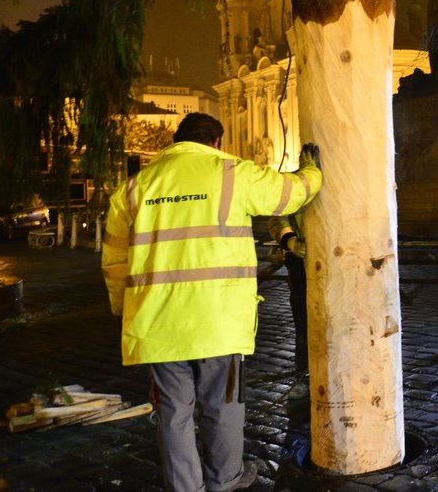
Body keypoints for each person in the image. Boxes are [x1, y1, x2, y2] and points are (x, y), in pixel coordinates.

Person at [102, 113, 322, 492]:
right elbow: (292, 193)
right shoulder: (231, 173)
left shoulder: (134, 187)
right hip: (218, 322)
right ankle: (226, 480)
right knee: (223, 405)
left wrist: (125, 309)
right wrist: (311, 170)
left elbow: (114, 262)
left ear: (176, 141)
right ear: (216, 142)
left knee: (172, 413)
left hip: (157, 325)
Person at [267, 214, 308, 399]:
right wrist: (290, 241)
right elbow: (277, 217)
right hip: (302, 265)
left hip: (339, 261)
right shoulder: (296, 185)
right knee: (304, 325)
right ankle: (303, 376)